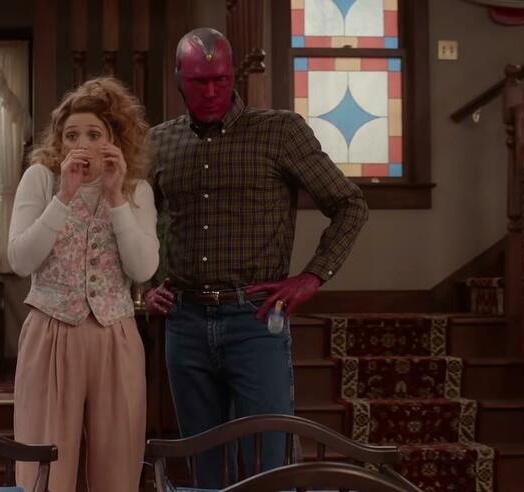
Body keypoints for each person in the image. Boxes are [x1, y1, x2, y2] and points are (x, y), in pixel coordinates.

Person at [145, 27, 369, 487]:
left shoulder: (280, 130)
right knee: (201, 464)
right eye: (200, 81)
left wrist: (311, 277)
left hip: (256, 317)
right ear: (179, 78)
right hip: (185, 322)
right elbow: (133, 223)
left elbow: (350, 204)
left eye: (222, 80)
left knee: (271, 464)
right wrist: (144, 285)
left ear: (234, 77)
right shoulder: (159, 142)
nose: (212, 92)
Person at [8, 77, 158, 492]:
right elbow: (20, 259)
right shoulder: (41, 179)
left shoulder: (136, 190)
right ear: (59, 140)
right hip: (51, 332)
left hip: (116, 337)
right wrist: (64, 196)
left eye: (94, 134)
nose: (82, 143)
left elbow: (143, 269)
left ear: (115, 140)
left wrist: (115, 197)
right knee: (44, 469)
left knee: (118, 469)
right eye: (71, 134)